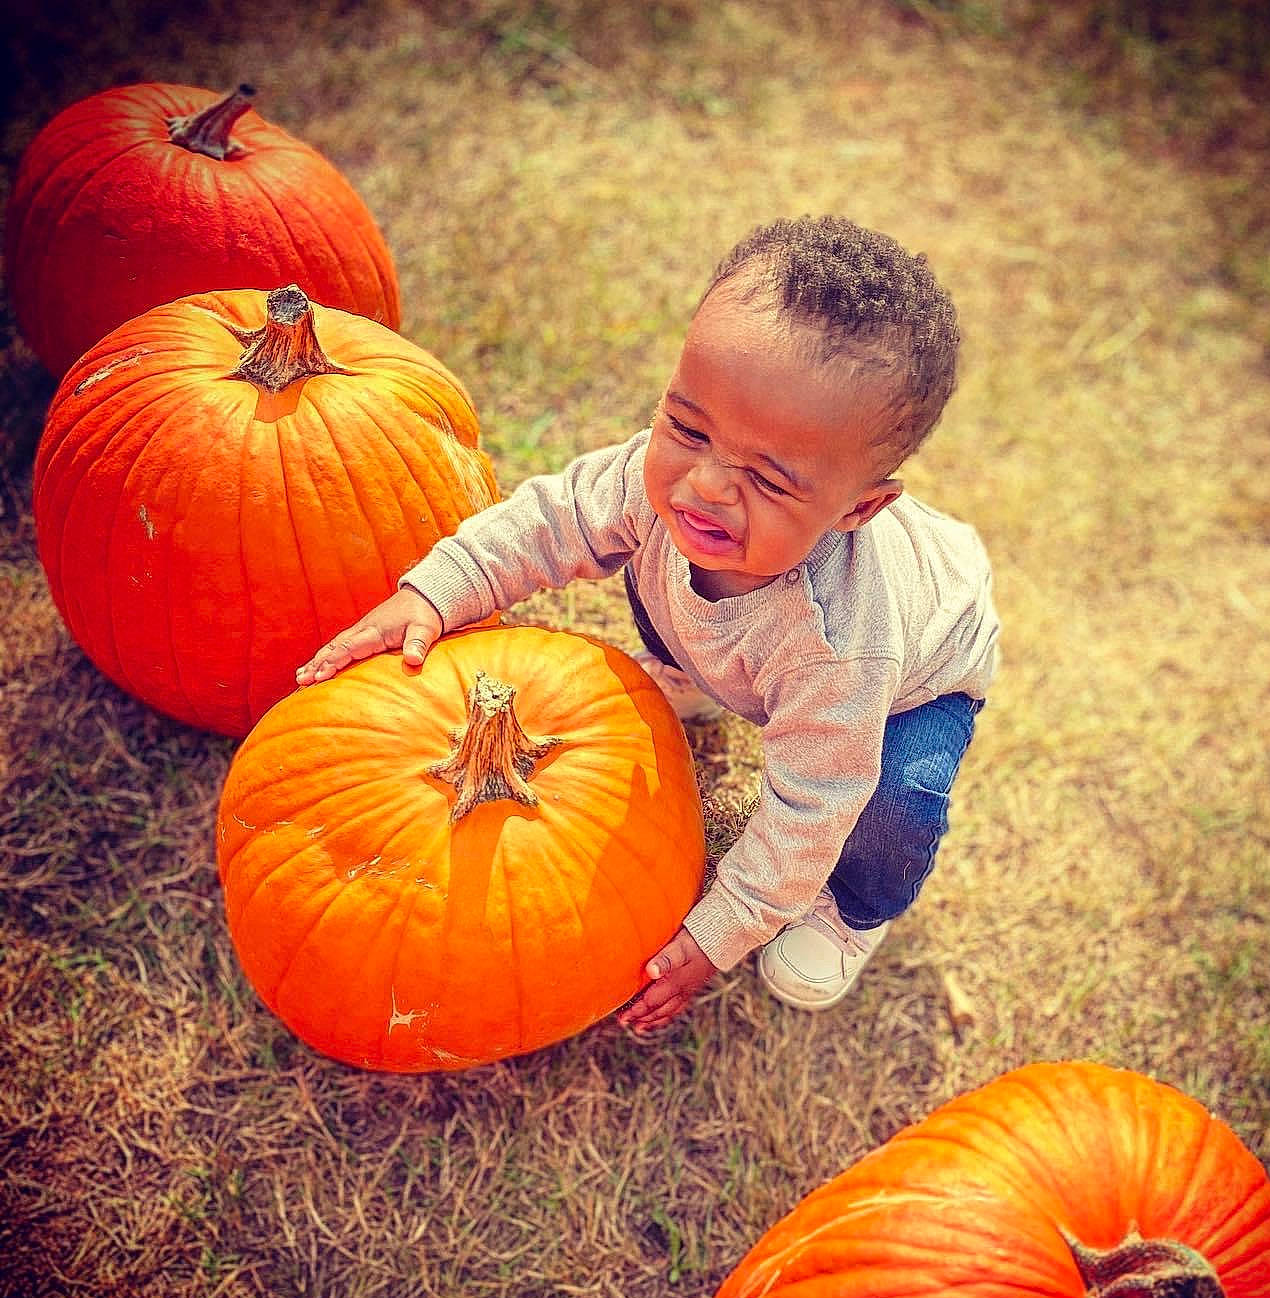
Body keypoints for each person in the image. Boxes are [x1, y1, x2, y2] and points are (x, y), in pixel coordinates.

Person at [295, 214, 999, 1033]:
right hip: (746, 641)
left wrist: (716, 933)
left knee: (889, 803)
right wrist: (437, 592)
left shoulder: (838, 646)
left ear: (857, 509)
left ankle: (854, 908)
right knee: (659, 580)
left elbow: (811, 808)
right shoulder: (651, 481)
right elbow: (549, 522)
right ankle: (691, 669)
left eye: (770, 480)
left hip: (920, 680)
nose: (706, 485)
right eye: (689, 429)